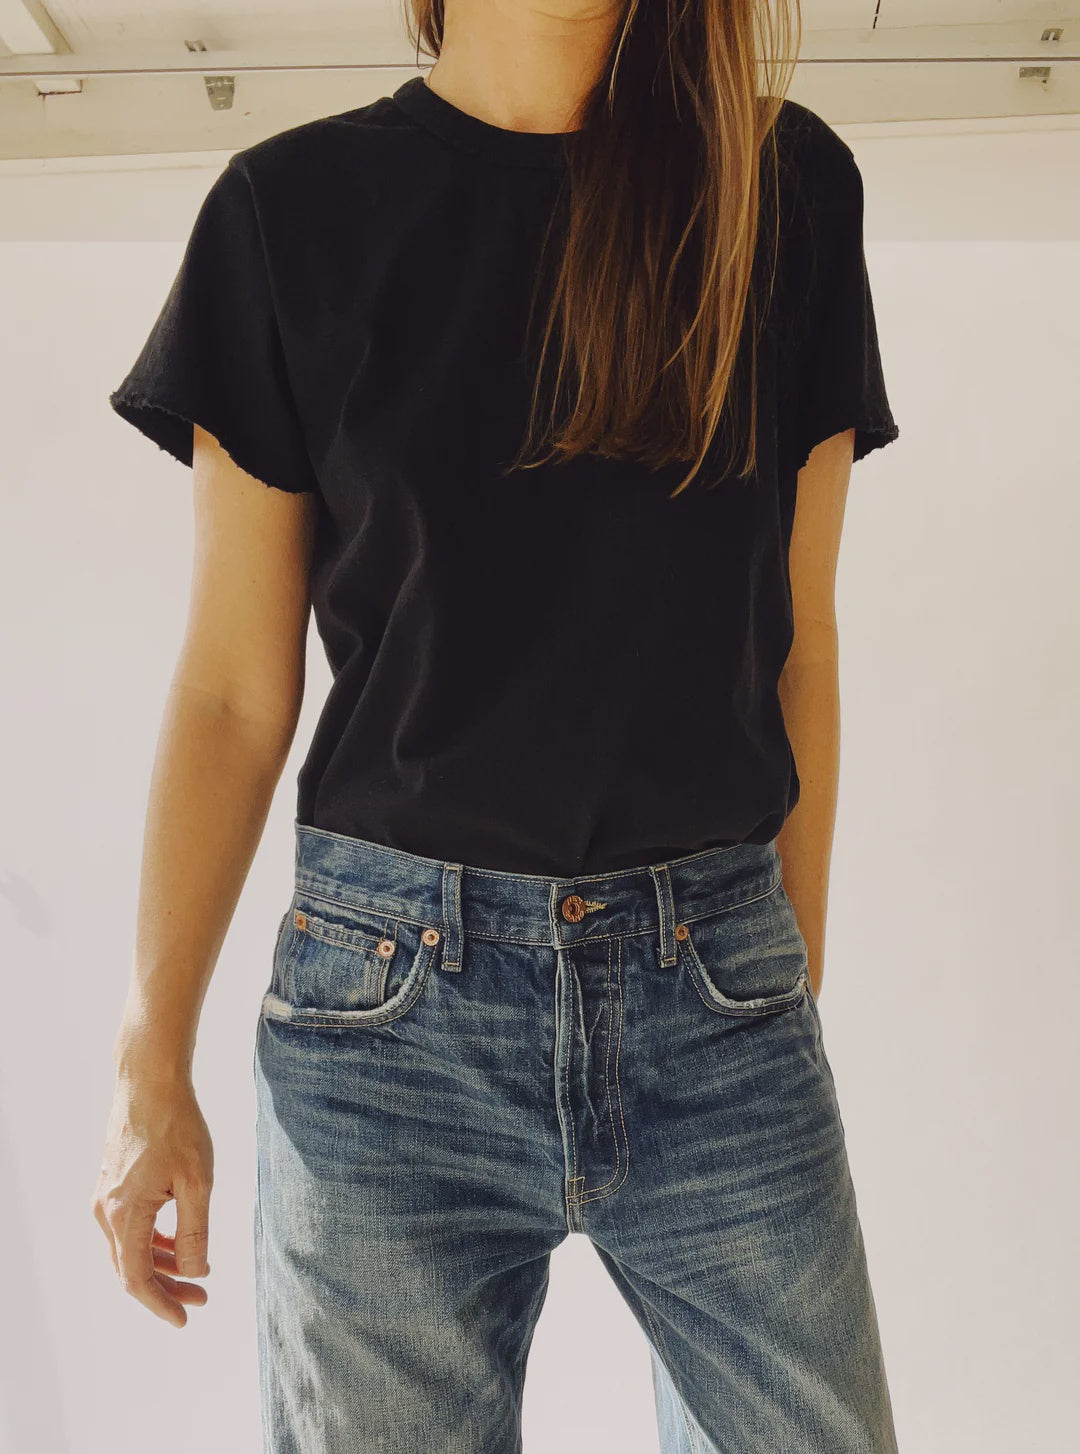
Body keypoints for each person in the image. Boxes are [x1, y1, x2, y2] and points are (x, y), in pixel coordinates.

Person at [91, 0, 902, 1448]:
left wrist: (780, 958)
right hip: (386, 1018)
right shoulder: (290, 214)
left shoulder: (783, 191)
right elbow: (230, 684)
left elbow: (802, 631)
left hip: (715, 987)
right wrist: (151, 1061)